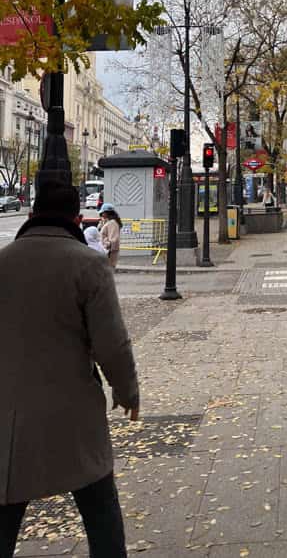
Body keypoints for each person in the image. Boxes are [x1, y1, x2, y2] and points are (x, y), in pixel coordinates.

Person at [0, 181, 139, 557]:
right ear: (78, 219)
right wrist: (127, 393)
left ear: (30, 215)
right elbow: (112, 343)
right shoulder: (88, 264)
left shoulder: (4, 262)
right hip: (73, 412)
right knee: (101, 513)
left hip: (9, 418)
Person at [98, 203, 122, 268]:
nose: (101, 214)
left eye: (103, 212)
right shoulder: (109, 222)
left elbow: (113, 239)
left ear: (107, 213)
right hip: (108, 251)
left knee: (108, 271)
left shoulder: (112, 223)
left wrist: (105, 246)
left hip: (109, 252)